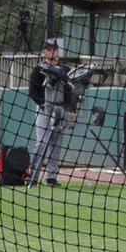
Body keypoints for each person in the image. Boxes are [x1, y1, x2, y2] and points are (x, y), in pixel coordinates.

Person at [26, 38, 77, 187]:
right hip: (45, 110)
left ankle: (51, 177)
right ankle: (33, 177)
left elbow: (71, 90)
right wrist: (43, 104)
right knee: (42, 142)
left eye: (54, 49)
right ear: (44, 52)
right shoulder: (38, 70)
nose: (52, 52)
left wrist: (70, 108)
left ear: (58, 51)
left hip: (60, 110)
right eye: (48, 49)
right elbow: (33, 92)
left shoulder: (66, 70)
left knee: (56, 144)